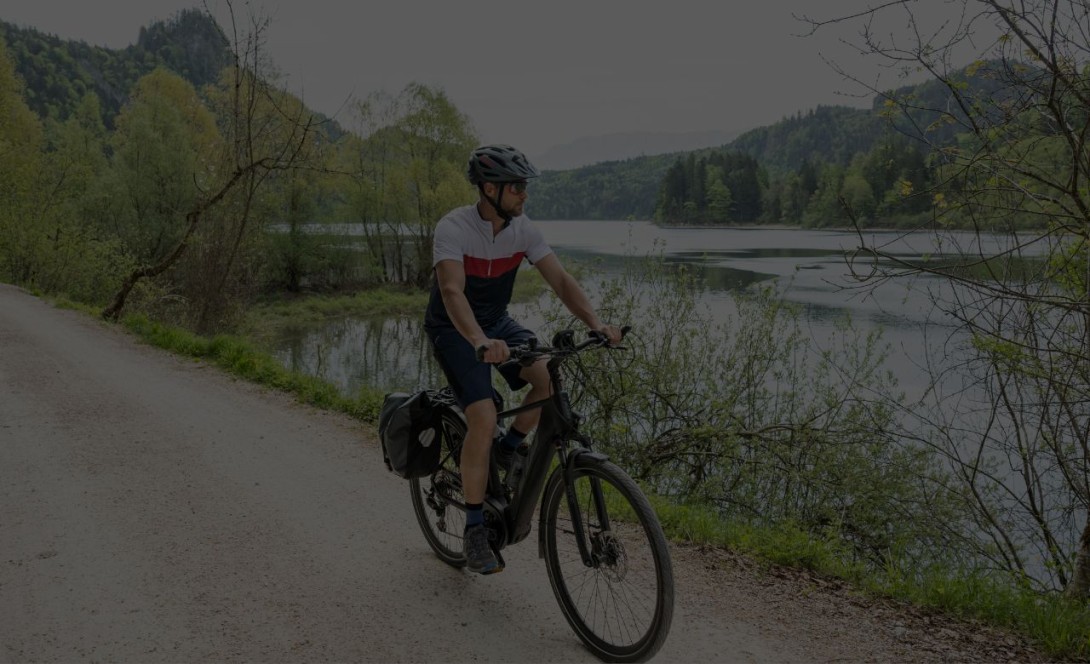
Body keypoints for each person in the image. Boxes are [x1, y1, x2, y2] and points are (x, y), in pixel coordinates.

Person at [424, 144, 622, 574]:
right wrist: (479, 340)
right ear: (489, 189)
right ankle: (474, 528)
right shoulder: (453, 228)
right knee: (481, 415)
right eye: (517, 187)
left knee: (547, 378)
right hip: (454, 329)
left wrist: (596, 323)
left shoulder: (523, 230)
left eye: (525, 186)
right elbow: (452, 292)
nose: (524, 194)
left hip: (496, 322)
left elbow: (561, 280)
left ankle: (508, 448)